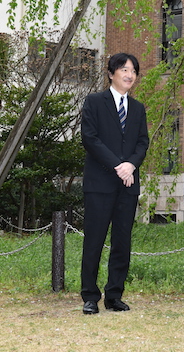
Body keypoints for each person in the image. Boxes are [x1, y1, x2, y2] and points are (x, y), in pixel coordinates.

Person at [80, 53, 149, 315]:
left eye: (133, 71)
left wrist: (130, 165)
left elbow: (142, 142)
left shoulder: (138, 108)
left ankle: (114, 295)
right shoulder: (94, 102)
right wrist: (118, 166)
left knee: (122, 242)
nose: (129, 75)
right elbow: (90, 138)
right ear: (111, 73)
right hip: (100, 184)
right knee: (94, 241)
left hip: (128, 185)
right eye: (124, 69)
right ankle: (89, 296)